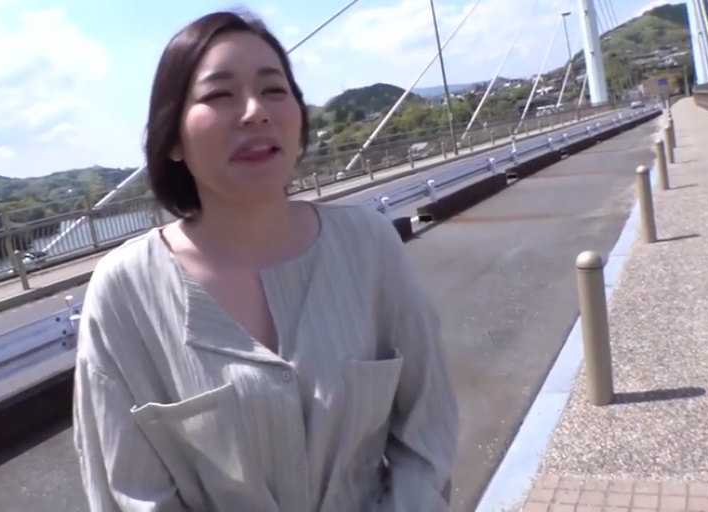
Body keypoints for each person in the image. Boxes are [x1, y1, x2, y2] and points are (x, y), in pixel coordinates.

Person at [73, 10, 458, 512]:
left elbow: (427, 437)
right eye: (219, 95)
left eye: (274, 90)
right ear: (173, 139)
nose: (255, 112)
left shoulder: (370, 248)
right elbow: (129, 493)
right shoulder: (125, 294)